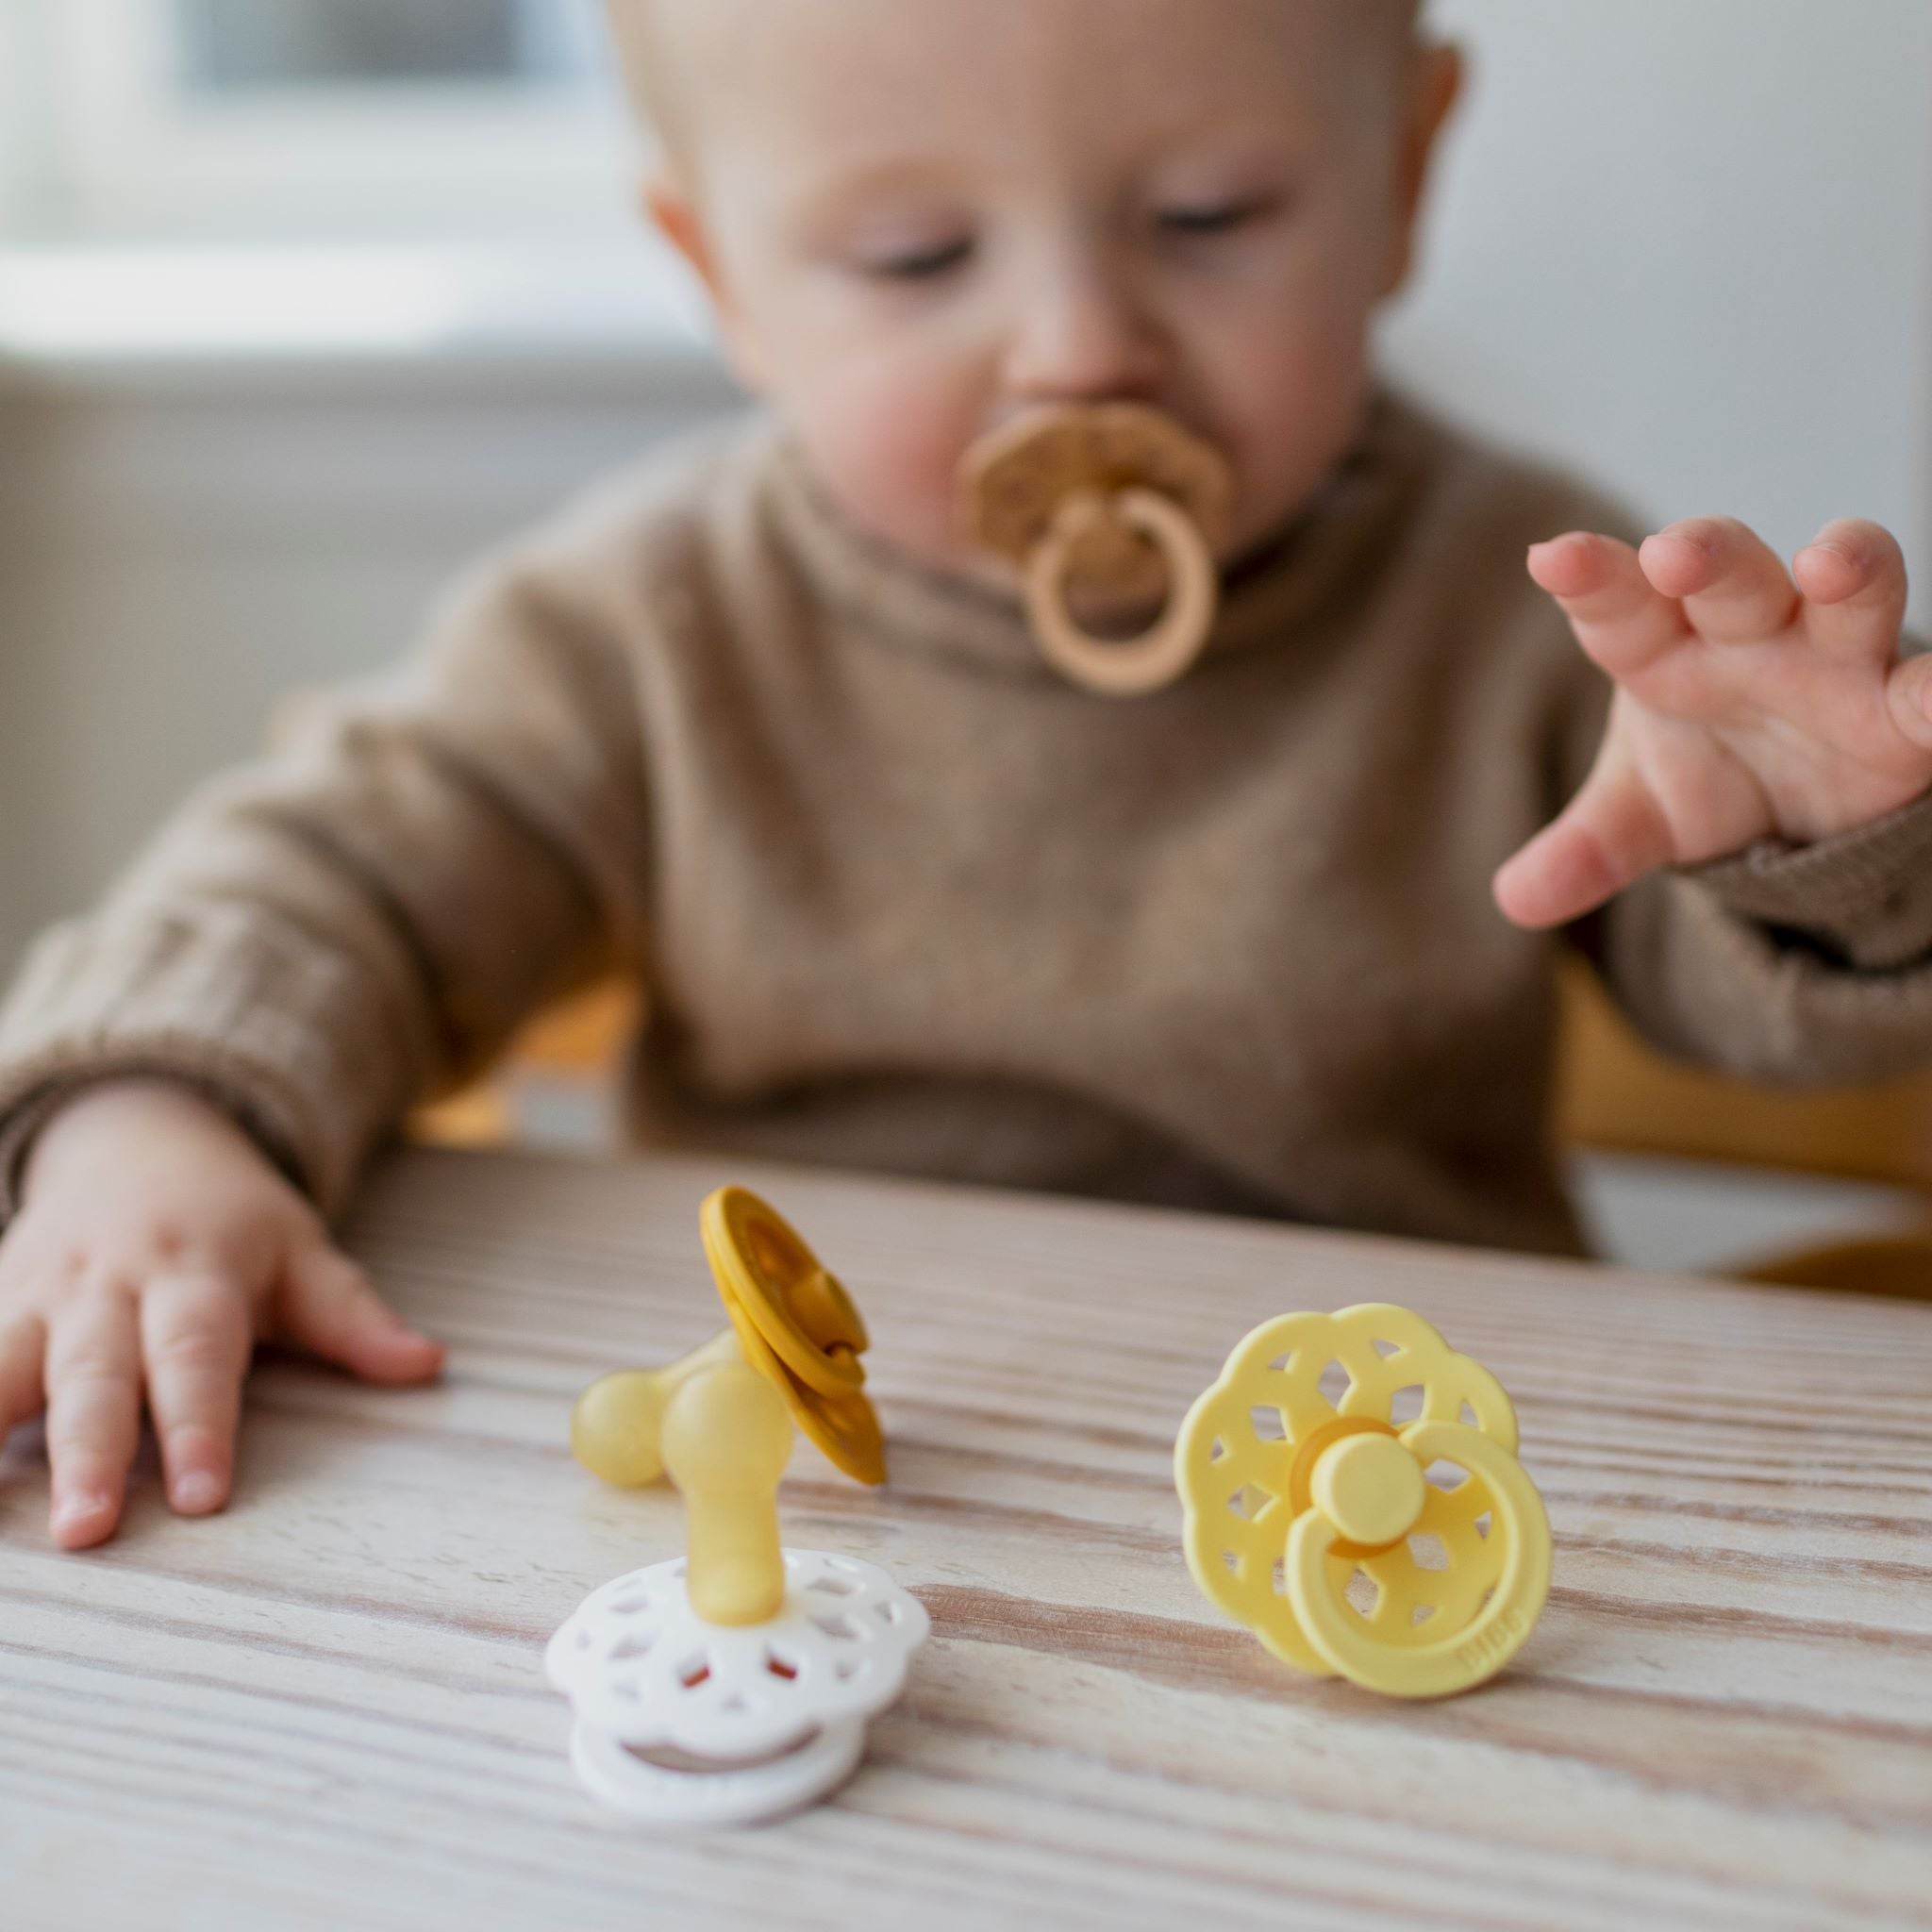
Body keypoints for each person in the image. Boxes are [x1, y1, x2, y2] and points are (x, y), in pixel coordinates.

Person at [3, 0, 1929, 1553]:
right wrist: (155, 1117)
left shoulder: (1535, 601)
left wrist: (1807, 838)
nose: (1081, 348)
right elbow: (329, 874)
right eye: (915, 254)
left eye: (1208, 218)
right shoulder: (652, 624)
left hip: (1370, 1499)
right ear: (719, 273)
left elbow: (1755, 1012)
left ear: (1404, 175)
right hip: (845, 1499)